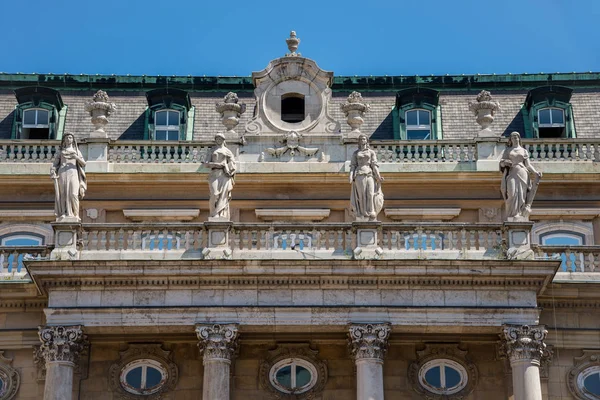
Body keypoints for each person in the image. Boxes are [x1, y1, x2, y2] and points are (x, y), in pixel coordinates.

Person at [499, 131, 542, 221]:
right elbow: (501, 163)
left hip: (522, 172)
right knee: (512, 193)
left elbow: (528, 165)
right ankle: (512, 214)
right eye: (513, 137)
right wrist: (504, 163)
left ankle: (518, 214)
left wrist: (535, 172)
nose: (515, 139)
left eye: (516, 137)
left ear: (519, 138)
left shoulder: (523, 151)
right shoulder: (507, 150)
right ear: (510, 140)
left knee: (522, 195)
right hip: (512, 173)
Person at [50, 133, 87, 221]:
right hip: (62, 172)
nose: (68, 139)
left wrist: (76, 157)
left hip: (73, 172)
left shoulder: (76, 151)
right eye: (66, 137)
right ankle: (63, 213)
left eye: (70, 137)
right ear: (64, 140)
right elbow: (55, 164)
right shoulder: (61, 151)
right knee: (63, 193)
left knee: (74, 194)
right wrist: (52, 171)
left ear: (73, 140)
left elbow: (83, 163)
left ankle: (75, 214)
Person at [349, 134, 384, 221]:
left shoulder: (371, 152)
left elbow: (374, 165)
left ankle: (371, 210)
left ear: (366, 141)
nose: (362, 140)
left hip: (369, 173)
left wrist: (378, 177)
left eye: (364, 139)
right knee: (361, 195)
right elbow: (352, 166)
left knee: (370, 193)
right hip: (359, 174)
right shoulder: (356, 153)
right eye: (360, 139)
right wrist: (350, 176)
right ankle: (362, 212)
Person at [204, 133, 236, 220]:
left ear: (223, 140)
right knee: (214, 194)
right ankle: (213, 213)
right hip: (214, 174)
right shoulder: (212, 150)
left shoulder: (227, 151)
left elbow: (233, 163)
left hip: (224, 175)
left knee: (223, 196)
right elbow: (206, 164)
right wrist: (217, 164)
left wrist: (229, 167)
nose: (218, 140)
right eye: (217, 139)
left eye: (220, 138)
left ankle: (221, 214)